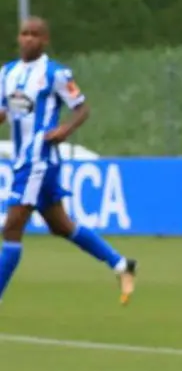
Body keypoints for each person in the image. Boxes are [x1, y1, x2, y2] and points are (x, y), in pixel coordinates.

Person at [0, 17, 137, 305]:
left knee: (11, 227)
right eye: (24, 34)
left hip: (39, 159)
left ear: (45, 40)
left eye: (34, 35)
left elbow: (82, 108)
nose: (28, 39)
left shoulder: (56, 74)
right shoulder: (7, 73)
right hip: (24, 159)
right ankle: (121, 264)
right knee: (60, 225)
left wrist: (65, 130)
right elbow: (5, 112)